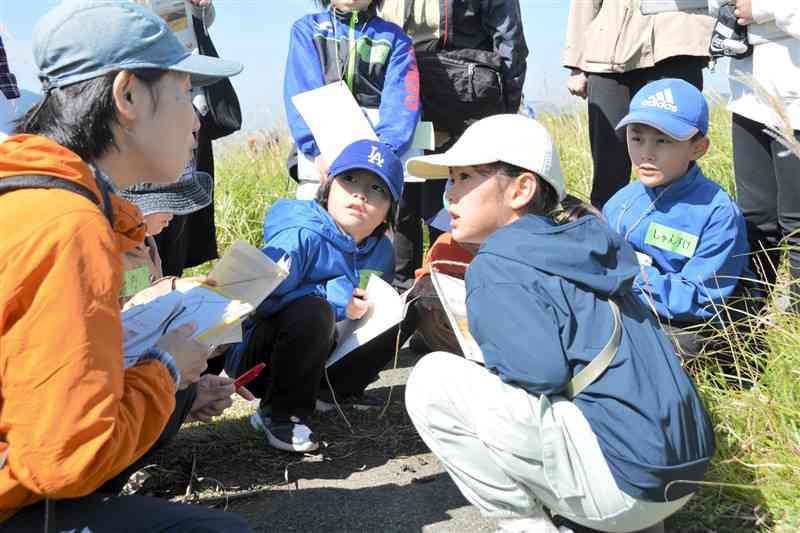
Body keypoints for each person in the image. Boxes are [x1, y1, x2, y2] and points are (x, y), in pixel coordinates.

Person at [0, 1, 248, 530]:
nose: (197, 118)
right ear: (128, 95)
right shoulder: (68, 224)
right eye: (185, 94)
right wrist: (168, 368)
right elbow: (64, 460)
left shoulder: (34, 195)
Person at [404, 114, 715, 533]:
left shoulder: (498, 262)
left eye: (463, 178)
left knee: (432, 380)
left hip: (625, 488)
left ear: (521, 189)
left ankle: (528, 526)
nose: (449, 197)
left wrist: (488, 344)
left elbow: (538, 373)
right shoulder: (585, 240)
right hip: (680, 477)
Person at [224, 139, 405, 453]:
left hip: (322, 355)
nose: (360, 194)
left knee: (408, 308)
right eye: (349, 179)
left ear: (390, 211)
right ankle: (278, 413)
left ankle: (328, 393)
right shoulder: (301, 233)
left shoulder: (382, 251)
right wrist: (334, 299)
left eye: (377, 189)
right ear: (328, 185)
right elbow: (256, 299)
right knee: (314, 310)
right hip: (261, 361)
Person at [379, 0, 528, 289]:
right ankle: (436, 284)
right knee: (437, 195)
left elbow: (509, 40)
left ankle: (427, 284)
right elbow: (510, 43)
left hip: (441, 98)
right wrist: (506, 107)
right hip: (438, 96)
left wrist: (505, 111)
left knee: (426, 197)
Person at [602, 78, 753, 357]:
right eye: (636, 138)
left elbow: (701, 298)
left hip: (687, 323)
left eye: (663, 141)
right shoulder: (620, 202)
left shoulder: (717, 212)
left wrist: (630, 278)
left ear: (698, 148)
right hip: (629, 304)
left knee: (680, 345)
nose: (646, 153)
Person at [120, 174, 254, 423]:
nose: (174, 213)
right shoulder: (111, 248)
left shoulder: (146, 242)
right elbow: (125, 304)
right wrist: (174, 289)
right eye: (166, 203)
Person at [563, 0, 714, 208]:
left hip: (676, 39)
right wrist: (576, 61)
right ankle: (605, 230)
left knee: (674, 156)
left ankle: (681, 226)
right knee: (608, 163)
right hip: (608, 47)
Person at [707, 1, 800, 305]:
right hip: (749, 92)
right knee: (756, 220)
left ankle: (794, 330)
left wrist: (760, 8)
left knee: (795, 224)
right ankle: (752, 326)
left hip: (794, 96)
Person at [284, 0, 420, 200]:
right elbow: (301, 91)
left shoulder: (396, 38)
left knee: (380, 226)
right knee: (317, 223)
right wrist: (317, 150)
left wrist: (382, 154)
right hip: (321, 164)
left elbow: (402, 102)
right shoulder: (306, 29)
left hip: (378, 165)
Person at [148, 0, 241, 277]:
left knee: (175, 229)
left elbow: (191, 29)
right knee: (148, 242)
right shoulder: (122, 242)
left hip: (181, 107)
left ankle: (169, 283)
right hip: (152, 122)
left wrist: (201, 9)